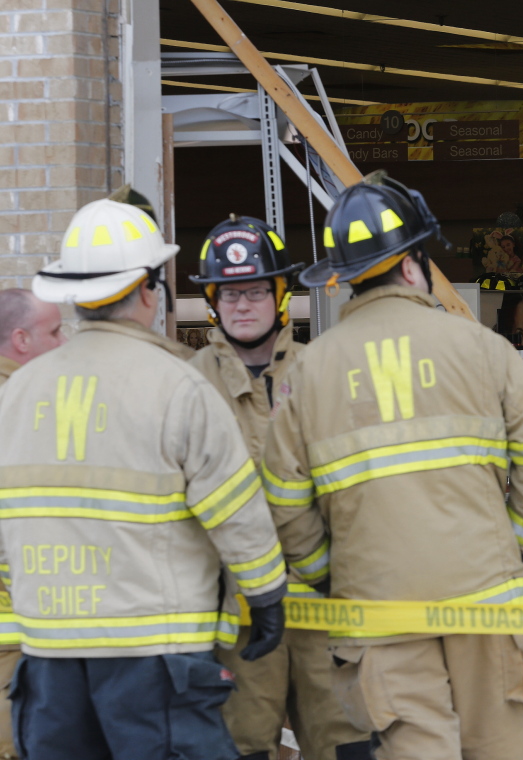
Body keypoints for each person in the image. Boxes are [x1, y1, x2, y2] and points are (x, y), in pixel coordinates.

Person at [262, 175, 523, 760]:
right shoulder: (481, 347)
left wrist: (331, 575)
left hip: (379, 612)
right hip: (489, 604)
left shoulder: (309, 371)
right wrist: (519, 549)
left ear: (346, 278)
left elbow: (284, 499)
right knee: (501, 749)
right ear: (411, 265)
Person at [0, 198, 287, 759]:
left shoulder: (17, 395)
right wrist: (267, 595)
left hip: (49, 657)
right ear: (150, 290)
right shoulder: (177, 386)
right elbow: (234, 511)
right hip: (155, 659)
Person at [189, 215, 369, 760]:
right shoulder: (190, 384)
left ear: (281, 295)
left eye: (255, 292)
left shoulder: (325, 373)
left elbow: (358, 488)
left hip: (326, 602)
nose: (243, 306)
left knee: (344, 740)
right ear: (214, 304)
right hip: (238, 611)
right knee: (242, 744)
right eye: (231, 294)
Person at [0, 288, 67, 759]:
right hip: (16, 638)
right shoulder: (24, 410)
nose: (64, 343)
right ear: (21, 340)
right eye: (55, 332)